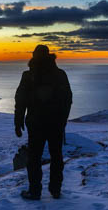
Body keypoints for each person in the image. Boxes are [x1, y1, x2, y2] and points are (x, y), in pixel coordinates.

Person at [14, 45, 72, 200]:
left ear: (34, 56)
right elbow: (68, 100)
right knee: (56, 156)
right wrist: (63, 120)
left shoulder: (28, 75)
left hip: (36, 123)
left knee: (34, 158)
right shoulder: (60, 74)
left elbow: (20, 101)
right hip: (56, 124)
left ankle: (35, 191)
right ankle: (56, 190)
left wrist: (18, 121)